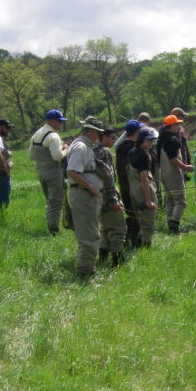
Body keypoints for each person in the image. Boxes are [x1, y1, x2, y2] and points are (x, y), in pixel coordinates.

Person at [66, 116, 105, 279]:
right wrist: (91, 187)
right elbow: (72, 171)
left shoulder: (86, 146)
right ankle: (84, 274)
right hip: (84, 195)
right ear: (89, 131)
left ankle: (89, 269)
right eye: (97, 132)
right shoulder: (81, 147)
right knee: (89, 236)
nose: (99, 136)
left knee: (91, 233)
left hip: (87, 195)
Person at [29, 109, 69, 235]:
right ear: (52, 121)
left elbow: (31, 155)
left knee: (49, 200)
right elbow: (57, 157)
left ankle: (51, 224)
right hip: (53, 172)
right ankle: (54, 229)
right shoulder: (53, 136)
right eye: (59, 121)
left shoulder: (37, 134)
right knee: (56, 201)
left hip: (41, 171)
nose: (60, 124)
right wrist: (66, 150)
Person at [94, 127, 127, 266]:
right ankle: (117, 260)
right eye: (112, 138)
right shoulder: (104, 152)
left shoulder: (91, 150)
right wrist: (113, 199)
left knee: (105, 227)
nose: (114, 141)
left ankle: (102, 257)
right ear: (104, 137)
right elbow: (108, 178)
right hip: (108, 195)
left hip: (96, 196)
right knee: (118, 228)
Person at [157, 114, 194, 234]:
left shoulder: (160, 139)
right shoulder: (172, 139)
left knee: (170, 201)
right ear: (171, 125)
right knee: (181, 202)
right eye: (177, 124)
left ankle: (171, 227)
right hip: (172, 173)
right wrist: (185, 167)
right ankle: (174, 225)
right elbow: (173, 159)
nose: (178, 126)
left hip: (162, 173)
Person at [127, 128, 160, 246]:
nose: (151, 143)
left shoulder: (132, 151)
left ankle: (138, 244)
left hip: (134, 191)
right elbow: (144, 179)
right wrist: (148, 201)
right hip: (143, 192)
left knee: (141, 219)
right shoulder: (144, 156)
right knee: (148, 220)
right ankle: (146, 247)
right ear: (142, 140)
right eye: (149, 140)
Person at [115, 119, 142, 247]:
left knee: (130, 212)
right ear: (136, 132)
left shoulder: (119, 147)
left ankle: (126, 239)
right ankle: (135, 242)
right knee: (137, 213)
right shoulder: (133, 149)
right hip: (132, 185)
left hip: (123, 184)